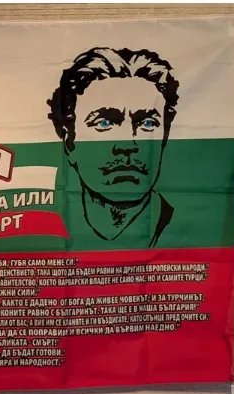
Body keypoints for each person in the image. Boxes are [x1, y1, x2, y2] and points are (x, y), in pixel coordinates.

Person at [47, 47, 181, 247]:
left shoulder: (191, 229)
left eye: (147, 124)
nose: (128, 145)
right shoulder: (46, 230)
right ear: (69, 143)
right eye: (104, 123)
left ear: (164, 139)